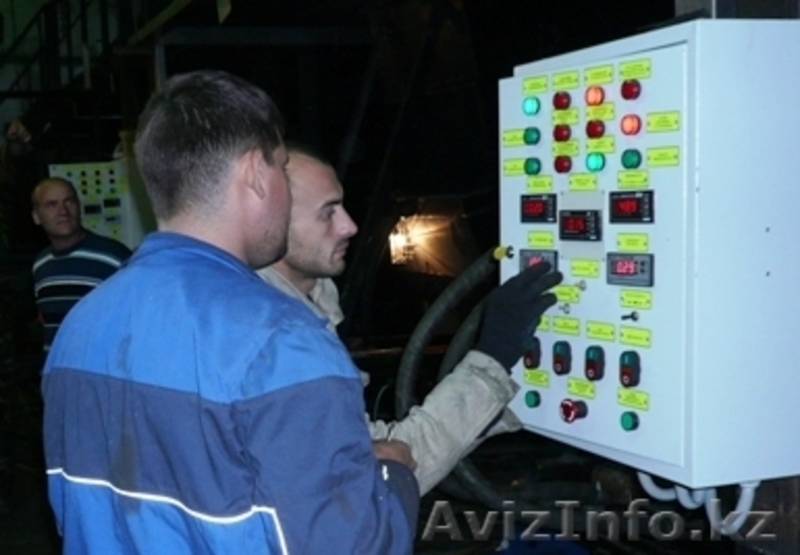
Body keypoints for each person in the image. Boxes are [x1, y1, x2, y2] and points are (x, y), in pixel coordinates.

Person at [41, 70, 421, 555]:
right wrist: (394, 476)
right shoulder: (283, 341)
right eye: (282, 167)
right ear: (255, 173)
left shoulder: (79, 327)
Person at [257, 141, 564, 496]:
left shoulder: (308, 308)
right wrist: (493, 356)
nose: (350, 226)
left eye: (342, 206)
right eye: (328, 213)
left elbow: (371, 448)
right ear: (270, 223)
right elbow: (370, 483)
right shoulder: (277, 340)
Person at [30, 177, 133, 352]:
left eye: (69, 201)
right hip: (56, 367)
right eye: (52, 205)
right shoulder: (41, 264)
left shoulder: (113, 257)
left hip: (101, 367)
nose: (63, 211)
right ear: (36, 217)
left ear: (79, 207)